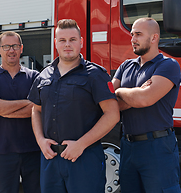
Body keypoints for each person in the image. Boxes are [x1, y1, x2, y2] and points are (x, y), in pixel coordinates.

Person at [28, 19, 120, 193]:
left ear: (81, 42)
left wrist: (81, 144)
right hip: (51, 159)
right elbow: (36, 110)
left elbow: (112, 114)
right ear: (55, 43)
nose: (67, 44)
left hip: (84, 159)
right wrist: (40, 141)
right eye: (62, 40)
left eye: (72, 39)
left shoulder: (95, 75)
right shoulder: (43, 75)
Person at [112, 17, 181, 193]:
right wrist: (134, 94)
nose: (133, 39)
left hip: (157, 147)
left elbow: (145, 99)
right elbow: (111, 103)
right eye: (132, 34)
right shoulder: (125, 66)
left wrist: (121, 92)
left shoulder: (168, 65)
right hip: (128, 147)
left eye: (138, 34)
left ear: (154, 37)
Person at [0, 31, 41, 193]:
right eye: (6, 46)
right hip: (2, 151)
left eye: (14, 46)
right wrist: (28, 103)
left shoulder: (34, 76)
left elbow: (38, 109)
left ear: (21, 49)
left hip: (33, 150)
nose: (11, 50)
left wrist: (2, 107)